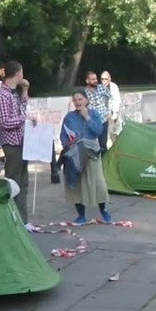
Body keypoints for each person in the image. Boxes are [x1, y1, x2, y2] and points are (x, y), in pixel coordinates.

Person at [0, 61, 36, 230]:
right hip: (12, 144)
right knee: (14, 183)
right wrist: (24, 119)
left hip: (21, 142)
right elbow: (4, 122)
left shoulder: (14, 93)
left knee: (23, 182)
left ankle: (23, 219)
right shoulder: (3, 95)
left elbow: (22, 108)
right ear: (18, 74)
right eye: (22, 73)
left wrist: (25, 91)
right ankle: (12, 219)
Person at [60, 91, 112, 224]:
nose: (78, 102)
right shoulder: (69, 117)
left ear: (86, 100)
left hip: (91, 152)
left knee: (97, 182)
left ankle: (104, 210)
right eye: (75, 100)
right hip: (74, 152)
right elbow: (63, 135)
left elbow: (98, 131)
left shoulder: (94, 114)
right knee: (76, 184)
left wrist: (87, 117)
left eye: (80, 99)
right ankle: (81, 215)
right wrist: (68, 144)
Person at [83, 71, 111, 151]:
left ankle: (104, 158)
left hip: (103, 119)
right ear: (87, 81)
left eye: (96, 79)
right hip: (92, 121)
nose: (95, 81)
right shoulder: (84, 92)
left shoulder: (102, 88)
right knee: (91, 144)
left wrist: (110, 111)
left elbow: (111, 98)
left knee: (103, 144)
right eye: (92, 79)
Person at [101, 71, 122, 137]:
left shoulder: (113, 87)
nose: (104, 81)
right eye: (102, 79)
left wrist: (115, 112)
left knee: (115, 132)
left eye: (106, 79)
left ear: (109, 79)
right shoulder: (99, 88)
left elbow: (117, 99)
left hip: (112, 111)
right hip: (104, 113)